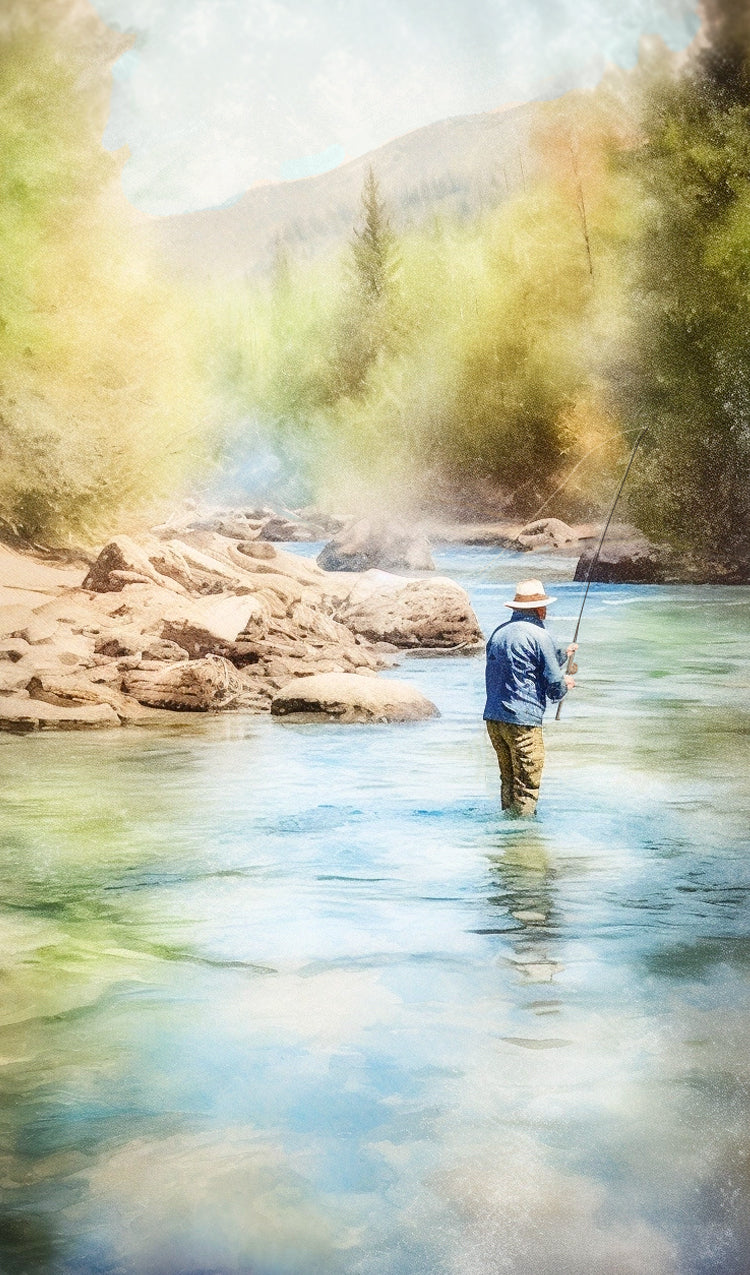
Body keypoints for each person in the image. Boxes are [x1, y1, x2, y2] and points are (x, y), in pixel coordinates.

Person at [484, 578, 576, 817]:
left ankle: (504, 843)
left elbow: (521, 665)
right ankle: (523, 845)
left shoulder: (498, 633)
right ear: (540, 608)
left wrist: (563, 655)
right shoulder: (540, 635)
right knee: (526, 788)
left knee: (508, 781)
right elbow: (554, 687)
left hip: (494, 719)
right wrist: (565, 685)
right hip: (523, 721)